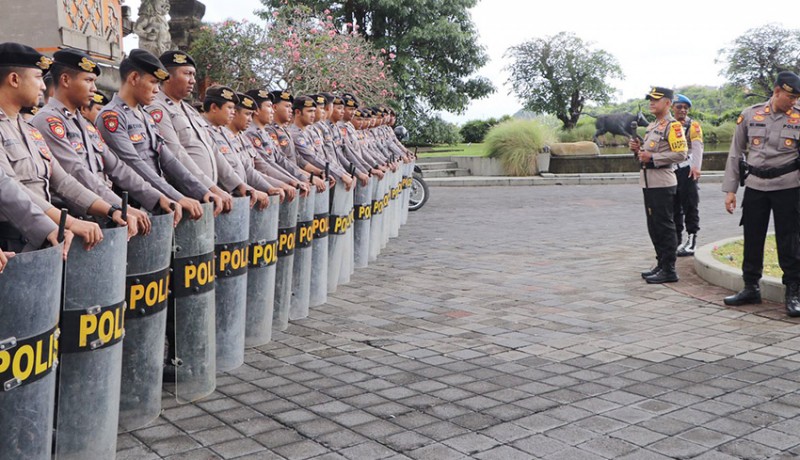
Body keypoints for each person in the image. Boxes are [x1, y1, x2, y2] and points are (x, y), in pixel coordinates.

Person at [32, 48, 169, 236]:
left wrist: (157, 197)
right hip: (75, 224)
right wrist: (118, 207)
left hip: (101, 219)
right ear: (65, 80)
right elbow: (77, 173)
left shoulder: (85, 124)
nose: (94, 89)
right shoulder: (47, 121)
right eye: (88, 80)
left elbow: (118, 168)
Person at [0, 42, 118, 252]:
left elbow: (62, 179)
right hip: (14, 239)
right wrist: (68, 223)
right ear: (14, 79)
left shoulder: (28, 128)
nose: (44, 86)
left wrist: (112, 209)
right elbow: (8, 186)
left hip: (43, 234)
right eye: (37, 77)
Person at [95, 49, 221, 221]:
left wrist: (202, 191)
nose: (156, 90)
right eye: (153, 82)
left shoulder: (145, 115)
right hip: (132, 209)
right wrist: (176, 197)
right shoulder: (112, 117)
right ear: (133, 78)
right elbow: (134, 164)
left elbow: (167, 159)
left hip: (158, 204)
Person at [722, 72, 800, 316]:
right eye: (791, 96)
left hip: (788, 186)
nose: (794, 101)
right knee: (752, 236)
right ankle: (750, 287)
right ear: (777, 91)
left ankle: (794, 292)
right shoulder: (749, 114)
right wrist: (731, 190)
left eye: (797, 97)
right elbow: (735, 153)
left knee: (790, 241)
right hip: (755, 186)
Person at [149, 50, 252, 212]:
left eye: (194, 75)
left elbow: (214, 150)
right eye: (187, 74)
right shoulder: (157, 108)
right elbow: (176, 153)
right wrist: (211, 188)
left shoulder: (189, 110)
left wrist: (238, 184)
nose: (193, 81)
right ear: (167, 77)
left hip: (207, 196)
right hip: (185, 199)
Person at [629, 87, 687, 284]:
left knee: (664, 226)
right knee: (654, 226)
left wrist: (652, 157)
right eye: (650, 100)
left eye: (656, 99)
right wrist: (638, 150)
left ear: (668, 103)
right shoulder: (653, 126)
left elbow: (681, 154)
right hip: (649, 182)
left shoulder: (673, 126)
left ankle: (669, 269)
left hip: (663, 182)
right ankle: (661, 263)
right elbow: (644, 158)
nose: (651, 103)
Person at [671, 94, 704, 257]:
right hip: (671, 170)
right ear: (672, 107)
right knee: (674, 206)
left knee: (690, 204)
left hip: (687, 169)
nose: (682, 110)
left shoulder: (693, 125)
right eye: (679, 107)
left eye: (686, 107)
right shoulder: (668, 124)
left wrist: (696, 167)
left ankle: (692, 240)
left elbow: (698, 146)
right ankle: (676, 240)